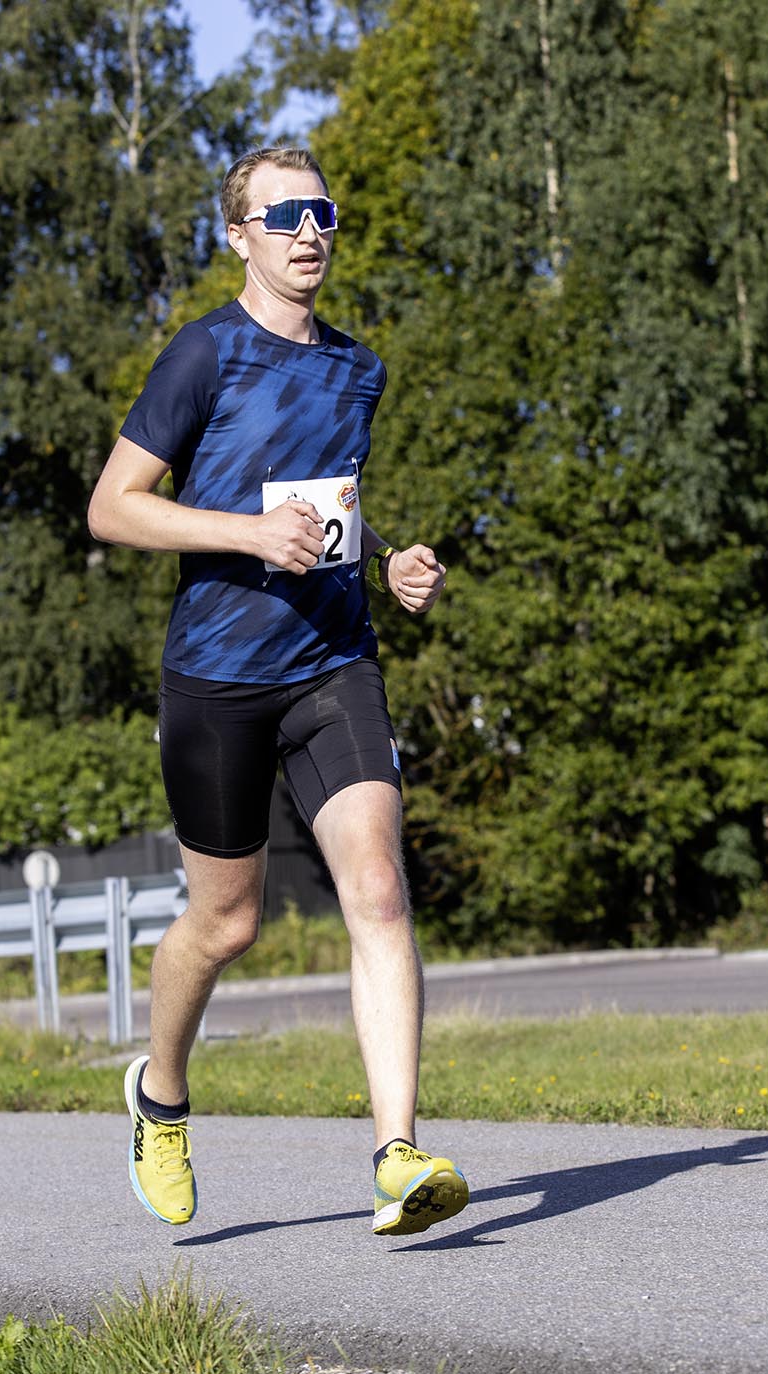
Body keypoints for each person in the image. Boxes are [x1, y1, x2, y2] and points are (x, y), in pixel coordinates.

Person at [88, 146, 466, 1237]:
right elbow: (114, 507)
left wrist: (387, 559)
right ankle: (159, 1099)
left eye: (323, 213)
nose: (309, 232)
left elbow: (330, 506)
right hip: (216, 677)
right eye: (283, 214)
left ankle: (397, 1152)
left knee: (379, 890)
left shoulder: (357, 368)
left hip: (331, 662)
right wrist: (244, 534)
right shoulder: (202, 355)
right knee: (228, 920)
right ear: (238, 235)